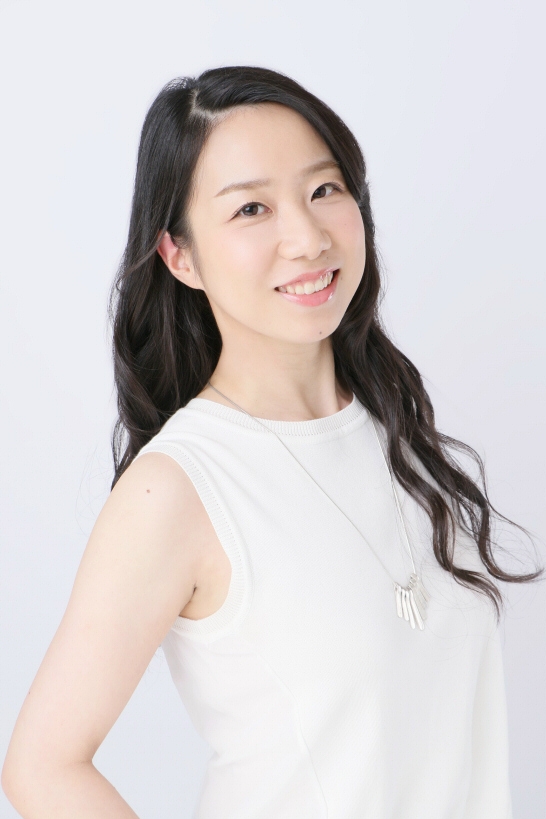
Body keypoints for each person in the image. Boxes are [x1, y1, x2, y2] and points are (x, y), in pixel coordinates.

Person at [2, 65, 542, 819]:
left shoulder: (398, 431)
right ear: (180, 256)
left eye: (324, 189)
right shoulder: (176, 487)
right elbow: (43, 766)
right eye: (251, 208)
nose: (308, 238)